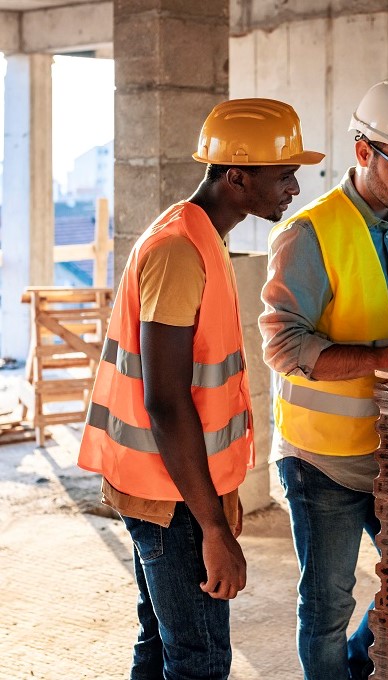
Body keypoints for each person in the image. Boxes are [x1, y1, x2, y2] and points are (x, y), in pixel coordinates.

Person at [78, 98, 323, 679]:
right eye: (283, 173)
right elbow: (165, 401)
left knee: (165, 644)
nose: (293, 187)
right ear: (236, 175)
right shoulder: (179, 251)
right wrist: (213, 527)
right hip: (173, 497)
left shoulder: (201, 235)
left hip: (175, 484)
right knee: (200, 659)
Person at [259, 76, 388, 680]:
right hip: (323, 459)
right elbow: (282, 344)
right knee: (327, 606)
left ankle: (354, 668)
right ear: (362, 152)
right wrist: (382, 357)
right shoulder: (308, 235)